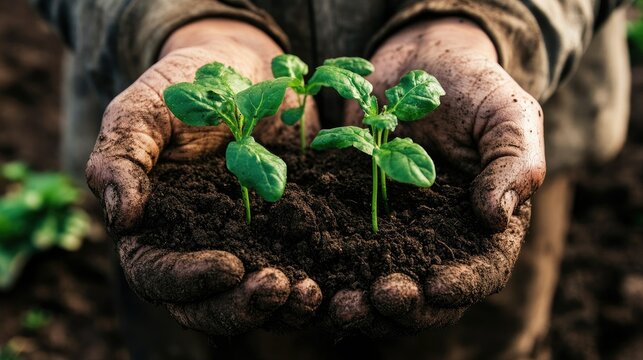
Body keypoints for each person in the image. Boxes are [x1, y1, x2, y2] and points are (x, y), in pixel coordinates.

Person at [32, 0, 631, 358]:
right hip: (179, 145)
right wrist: (174, 23)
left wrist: (492, 19)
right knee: (194, 329)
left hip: (478, 127)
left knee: (478, 334)